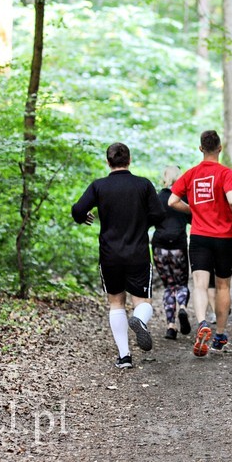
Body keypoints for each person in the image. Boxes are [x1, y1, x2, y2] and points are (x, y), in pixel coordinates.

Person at [71, 142, 165, 369]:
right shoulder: (143, 185)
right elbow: (160, 215)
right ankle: (140, 320)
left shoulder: (99, 186)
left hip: (110, 255)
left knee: (116, 303)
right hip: (138, 253)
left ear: (108, 161)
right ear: (129, 160)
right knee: (143, 301)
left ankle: (124, 357)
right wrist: (143, 222)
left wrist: (84, 217)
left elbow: (77, 210)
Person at [168, 130, 232, 357]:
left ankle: (203, 322)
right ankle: (220, 335)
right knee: (223, 286)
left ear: (200, 149)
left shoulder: (191, 174)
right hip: (224, 238)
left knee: (200, 284)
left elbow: (172, 201)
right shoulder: (226, 173)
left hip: (199, 237)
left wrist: (193, 211)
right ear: (220, 148)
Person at [152, 166, 193, 340]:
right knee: (181, 283)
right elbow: (194, 219)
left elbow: (148, 220)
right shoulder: (183, 199)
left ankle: (170, 326)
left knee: (169, 286)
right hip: (178, 245)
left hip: (159, 246)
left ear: (164, 178)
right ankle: (182, 307)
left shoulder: (156, 198)